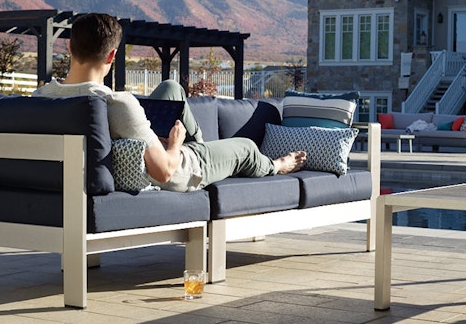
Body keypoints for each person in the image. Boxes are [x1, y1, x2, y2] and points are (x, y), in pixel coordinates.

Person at [33, 13, 306, 191]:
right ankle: (276, 165)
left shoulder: (42, 98)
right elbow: (164, 172)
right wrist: (175, 144)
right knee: (246, 147)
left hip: (130, 152)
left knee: (171, 88)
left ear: (70, 47)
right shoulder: (117, 103)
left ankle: (201, 147)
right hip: (180, 169)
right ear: (111, 56)